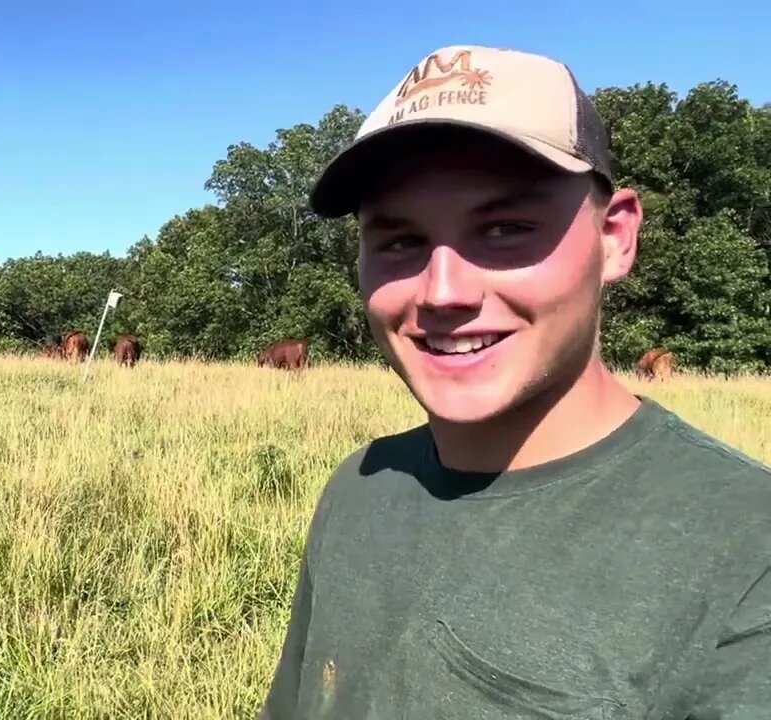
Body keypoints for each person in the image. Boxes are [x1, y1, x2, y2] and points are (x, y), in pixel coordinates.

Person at [260, 45, 771, 719]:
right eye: (401, 242)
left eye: (505, 228)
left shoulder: (745, 548)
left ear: (615, 237)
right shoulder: (360, 486)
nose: (442, 292)